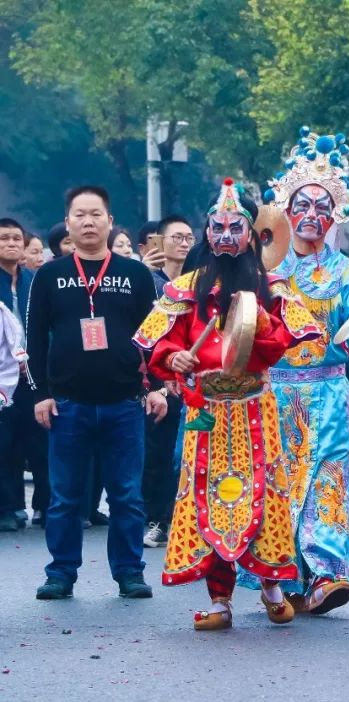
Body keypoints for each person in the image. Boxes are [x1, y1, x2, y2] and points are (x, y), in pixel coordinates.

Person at [134, 177, 321, 630]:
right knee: (209, 499)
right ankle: (220, 600)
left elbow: (283, 343)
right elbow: (156, 343)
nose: (223, 236)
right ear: (206, 233)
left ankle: (273, 589)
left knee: (265, 496)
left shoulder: (271, 286)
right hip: (205, 410)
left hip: (256, 407)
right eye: (215, 228)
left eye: (233, 228)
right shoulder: (186, 287)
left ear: (251, 234)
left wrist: (255, 324)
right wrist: (172, 356)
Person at [250, 127, 349, 615]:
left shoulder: (347, 272)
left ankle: (327, 574)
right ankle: (278, 576)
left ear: (334, 216)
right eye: (302, 205)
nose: (311, 215)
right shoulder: (264, 269)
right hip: (270, 392)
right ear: (285, 210)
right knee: (276, 481)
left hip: (327, 391)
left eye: (322, 207)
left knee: (327, 477)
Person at [26, 186, 168, 600]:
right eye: (79, 215)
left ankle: (129, 572)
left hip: (125, 403)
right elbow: (36, 338)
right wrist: (41, 395)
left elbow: (154, 337)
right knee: (65, 496)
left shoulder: (135, 274)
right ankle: (61, 572)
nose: (88, 222)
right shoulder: (49, 275)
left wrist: (157, 387)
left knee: (127, 494)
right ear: (68, 222)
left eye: (96, 214)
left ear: (110, 220)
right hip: (67, 403)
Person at [140, 215, 194, 550]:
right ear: (159, 241)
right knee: (158, 456)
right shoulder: (148, 282)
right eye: (176, 237)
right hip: (158, 382)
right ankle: (156, 519)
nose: (184, 243)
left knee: (187, 458)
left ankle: (184, 518)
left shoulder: (198, 285)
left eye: (189, 237)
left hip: (192, 380)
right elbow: (143, 338)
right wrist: (154, 386)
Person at [0, 218, 38, 531]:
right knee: (4, 441)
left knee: (37, 439)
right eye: (4, 239)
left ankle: (43, 506)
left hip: (32, 374)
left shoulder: (34, 280)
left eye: (16, 239)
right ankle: (8, 507)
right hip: (2, 375)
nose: (11, 244)